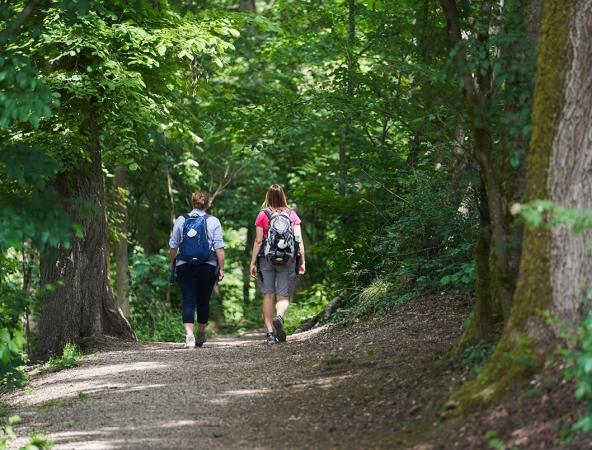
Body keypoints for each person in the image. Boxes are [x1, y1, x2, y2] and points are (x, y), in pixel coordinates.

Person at [250, 184, 305, 345]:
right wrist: (302, 261)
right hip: (288, 260)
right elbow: (298, 240)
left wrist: (253, 262)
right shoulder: (292, 214)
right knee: (283, 296)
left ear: (268, 196)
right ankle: (279, 317)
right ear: (283, 197)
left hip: (266, 259)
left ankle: (269, 334)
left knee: (268, 295)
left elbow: (259, 240)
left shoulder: (263, 215)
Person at [169, 190, 225, 349]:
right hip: (208, 266)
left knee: (188, 301)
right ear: (207, 204)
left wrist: (172, 262)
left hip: (184, 265)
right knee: (203, 302)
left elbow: (173, 245)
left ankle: (189, 337)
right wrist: (221, 268)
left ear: (192, 203)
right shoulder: (213, 221)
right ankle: (201, 334)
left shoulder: (181, 219)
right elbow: (219, 247)